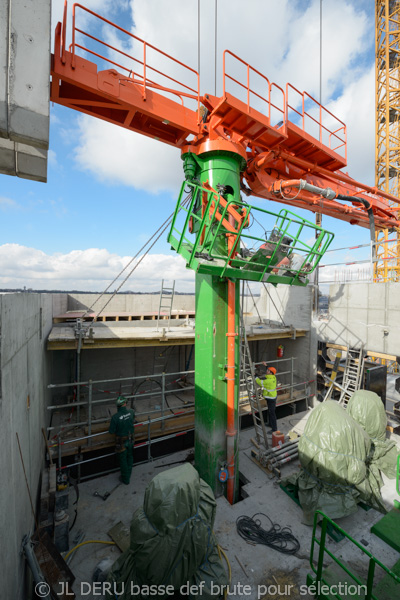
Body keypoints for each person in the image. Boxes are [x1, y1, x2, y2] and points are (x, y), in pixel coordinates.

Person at [109, 396, 135, 485]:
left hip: (121, 441)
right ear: (125, 404)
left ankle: (126, 479)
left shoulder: (115, 417)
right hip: (131, 438)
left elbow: (111, 431)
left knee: (123, 459)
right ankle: (129, 473)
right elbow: (132, 420)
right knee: (130, 456)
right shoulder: (131, 412)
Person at [255, 363, 278, 432]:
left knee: (272, 413)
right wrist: (266, 366)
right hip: (271, 397)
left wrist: (255, 376)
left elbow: (259, 382)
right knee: (270, 412)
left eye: (268, 371)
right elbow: (270, 371)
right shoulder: (273, 377)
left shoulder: (268, 381)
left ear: (270, 373)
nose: (266, 371)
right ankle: (270, 424)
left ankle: (274, 429)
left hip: (271, 398)